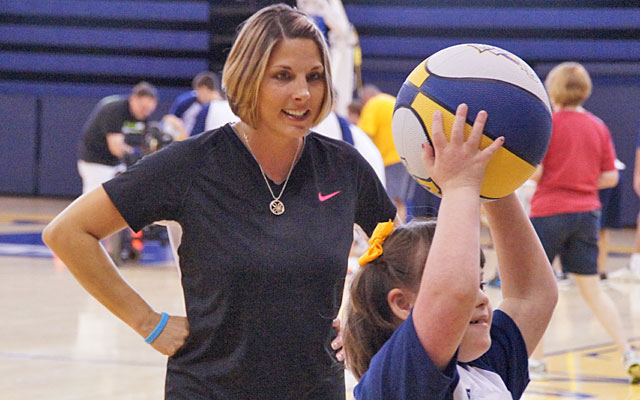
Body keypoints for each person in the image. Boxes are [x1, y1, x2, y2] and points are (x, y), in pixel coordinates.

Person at [42, 4, 396, 399]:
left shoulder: (344, 166)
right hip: (208, 388)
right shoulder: (191, 164)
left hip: (315, 389)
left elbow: (398, 255)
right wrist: (147, 322)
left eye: (314, 77)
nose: (303, 93)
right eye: (283, 76)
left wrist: (366, 325)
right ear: (248, 78)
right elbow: (68, 232)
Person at [342, 104, 558, 398]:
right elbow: (452, 295)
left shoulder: (481, 369)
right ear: (403, 304)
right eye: (472, 286)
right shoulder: (397, 380)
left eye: (480, 284)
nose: (482, 298)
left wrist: (495, 184)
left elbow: (532, 295)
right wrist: (460, 184)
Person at [527, 62, 640, 382]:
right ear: (586, 90)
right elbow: (609, 176)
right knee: (592, 289)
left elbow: (536, 173)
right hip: (586, 214)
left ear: (552, 91)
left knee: (534, 289)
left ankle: (536, 360)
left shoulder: (547, 124)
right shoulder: (598, 126)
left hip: (548, 212)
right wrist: (582, 177)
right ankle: (627, 352)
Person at [77, 81, 158, 193]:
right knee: (95, 200)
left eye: (149, 110)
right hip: (96, 162)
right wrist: (136, 157)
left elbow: (141, 143)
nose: (145, 113)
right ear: (133, 99)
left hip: (116, 164)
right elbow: (115, 148)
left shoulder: (142, 116)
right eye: (142, 107)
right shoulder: (115, 110)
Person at [358, 84, 416, 222]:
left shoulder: (373, 104)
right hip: (407, 156)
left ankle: (392, 234)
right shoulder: (392, 101)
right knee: (399, 200)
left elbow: (363, 135)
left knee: (390, 199)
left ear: (366, 97)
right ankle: (401, 233)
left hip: (390, 159)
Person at [168, 71, 223, 136]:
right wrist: (182, 131)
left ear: (204, 89)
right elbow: (169, 118)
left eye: (198, 92)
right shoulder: (189, 101)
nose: (197, 95)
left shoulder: (223, 106)